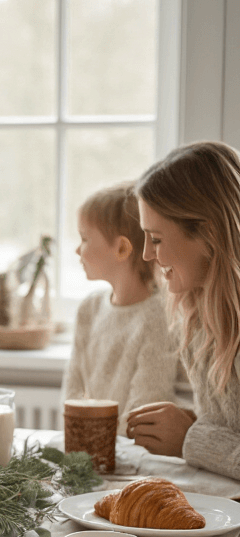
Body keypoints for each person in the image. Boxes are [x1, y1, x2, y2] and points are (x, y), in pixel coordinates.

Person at [126, 140, 240, 477]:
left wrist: (190, 437)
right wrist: (191, 422)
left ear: (209, 234)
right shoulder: (198, 315)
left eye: (157, 239)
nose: (147, 254)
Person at [62, 182, 177, 436]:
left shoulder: (158, 316)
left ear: (122, 248)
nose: (77, 249)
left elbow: (146, 405)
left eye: (84, 238)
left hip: (134, 455)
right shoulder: (88, 309)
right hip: (88, 451)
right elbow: (72, 389)